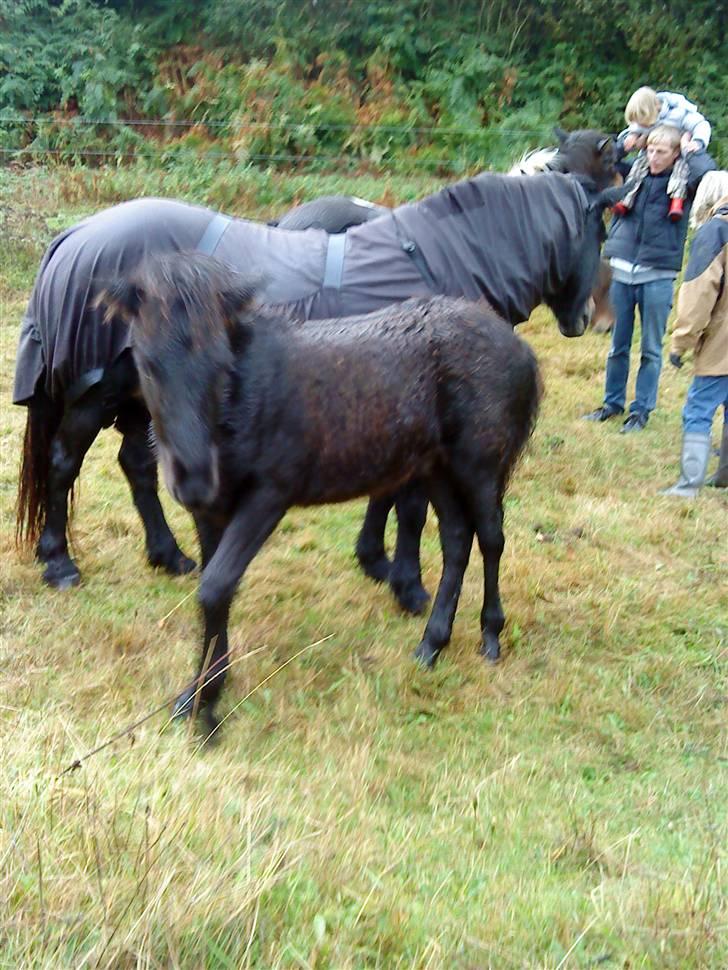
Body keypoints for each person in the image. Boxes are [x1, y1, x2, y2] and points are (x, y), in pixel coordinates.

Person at [582, 124, 715, 433]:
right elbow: (606, 160)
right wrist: (628, 143)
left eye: (662, 151)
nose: (654, 157)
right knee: (618, 345)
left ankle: (641, 411)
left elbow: (707, 168)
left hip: (658, 274)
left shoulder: (687, 181)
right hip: (622, 271)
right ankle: (612, 404)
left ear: (675, 154)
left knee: (651, 349)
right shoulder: (633, 172)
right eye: (651, 150)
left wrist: (691, 145)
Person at [662, 170, 728, 496]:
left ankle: (689, 485)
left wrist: (681, 343)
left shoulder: (715, 231)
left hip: (722, 341)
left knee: (699, 408)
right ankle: (725, 475)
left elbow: (699, 295)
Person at [614, 87, 712, 222]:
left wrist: (697, 142)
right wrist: (630, 137)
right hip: (648, 153)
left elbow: (701, 125)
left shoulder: (679, 113)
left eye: (643, 122)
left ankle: (677, 202)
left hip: (677, 154)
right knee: (636, 171)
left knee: (680, 174)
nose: (641, 125)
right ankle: (625, 200)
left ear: (655, 108)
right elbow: (634, 129)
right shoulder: (643, 118)